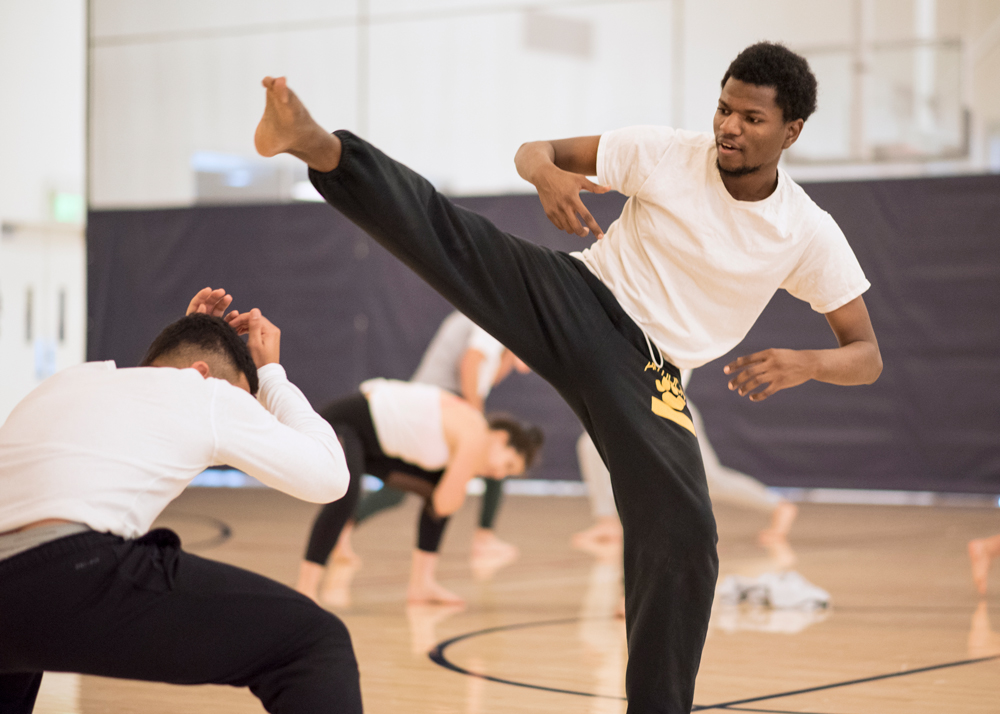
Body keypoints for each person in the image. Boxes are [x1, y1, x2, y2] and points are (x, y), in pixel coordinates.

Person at [255, 41, 882, 713]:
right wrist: (546, 175)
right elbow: (536, 150)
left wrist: (803, 363)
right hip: (580, 295)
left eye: (751, 119)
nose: (729, 126)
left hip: (650, 370)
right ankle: (318, 146)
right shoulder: (669, 152)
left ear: (792, 131)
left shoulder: (806, 232)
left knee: (687, 533)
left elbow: (866, 353)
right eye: (724, 109)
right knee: (456, 239)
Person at [0, 288, 361, 714]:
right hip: (71, 572)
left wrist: (193, 331)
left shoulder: (69, 380)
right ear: (202, 373)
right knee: (315, 642)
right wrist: (271, 375)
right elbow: (331, 478)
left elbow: (150, 387)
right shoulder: (203, 390)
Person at [296, 378, 542, 605]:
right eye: (507, 465)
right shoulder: (475, 434)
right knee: (345, 493)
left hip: (377, 447)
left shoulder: (472, 430)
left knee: (435, 487)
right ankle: (305, 590)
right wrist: (463, 478)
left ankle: (422, 585)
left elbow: (440, 502)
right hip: (346, 422)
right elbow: (446, 503)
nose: (499, 475)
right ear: (500, 437)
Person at [331, 310, 530, 570]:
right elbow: (470, 363)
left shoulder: (497, 335)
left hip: (443, 403)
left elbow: (483, 380)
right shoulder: (492, 319)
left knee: (488, 468)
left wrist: (510, 357)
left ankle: (478, 540)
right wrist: (476, 422)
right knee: (431, 483)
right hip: (439, 404)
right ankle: (341, 528)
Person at [573, 370, 798, 552]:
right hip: (629, 400)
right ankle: (607, 522)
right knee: (591, 445)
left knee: (707, 478)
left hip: (668, 404)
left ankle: (778, 506)